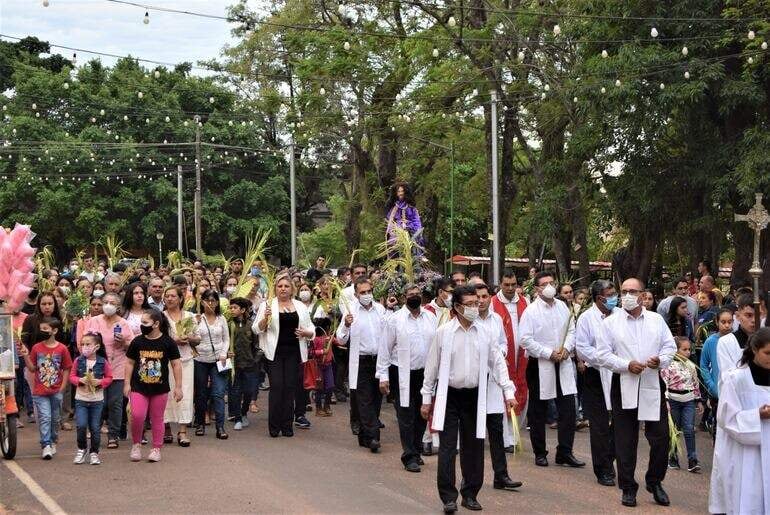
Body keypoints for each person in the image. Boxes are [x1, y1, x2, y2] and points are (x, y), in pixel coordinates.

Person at [420, 285, 517, 513]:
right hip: (450, 396)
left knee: (473, 447)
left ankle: (470, 493)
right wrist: (426, 398)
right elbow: (431, 368)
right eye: (470, 304)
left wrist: (508, 392)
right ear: (456, 307)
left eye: (477, 303)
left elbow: (498, 363)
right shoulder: (444, 333)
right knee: (447, 448)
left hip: (475, 395)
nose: (476, 307)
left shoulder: (485, 332)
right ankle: (448, 497)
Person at [596, 277, 677, 508]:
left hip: (651, 382)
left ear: (643, 295)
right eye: (624, 291)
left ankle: (655, 481)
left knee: (661, 437)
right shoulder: (610, 323)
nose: (628, 295)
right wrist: (626, 365)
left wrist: (659, 360)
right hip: (624, 383)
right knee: (625, 439)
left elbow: (670, 347)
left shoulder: (656, 320)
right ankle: (628, 487)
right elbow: (603, 354)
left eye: (633, 291)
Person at [519, 271, 584, 468]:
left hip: (563, 362)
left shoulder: (563, 307)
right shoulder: (531, 311)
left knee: (568, 409)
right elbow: (525, 339)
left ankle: (565, 451)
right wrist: (548, 353)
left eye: (551, 282)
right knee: (538, 411)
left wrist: (566, 348)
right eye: (544, 283)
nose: (549, 286)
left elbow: (572, 330)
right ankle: (540, 452)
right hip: (540, 364)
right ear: (537, 289)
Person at [708, 327, 770, 514]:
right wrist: (757, 415)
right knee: (747, 499)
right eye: (768, 353)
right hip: (744, 454)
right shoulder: (736, 378)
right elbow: (726, 418)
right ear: (754, 350)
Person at [376, 284, 437, 472]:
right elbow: (385, 349)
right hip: (401, 373)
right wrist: (383, 376)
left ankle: (416, 451)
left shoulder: (431, 318)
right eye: (411, 295)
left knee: (422, 414)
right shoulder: (395, 320)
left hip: (424, 374)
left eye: (417, 294)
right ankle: (408, 455)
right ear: (404, 298)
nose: (414, 297)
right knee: (405, 414)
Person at [474, 283, 523, 491]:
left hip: (494, 383)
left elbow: (503, 343)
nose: (481, 300)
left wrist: (501, 353)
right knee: (475, 436)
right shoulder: (467, 321)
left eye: (485, 296)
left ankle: (501, 476)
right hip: (474, 384)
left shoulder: (496, 319)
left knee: (496, 432)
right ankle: (473, 479)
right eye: (477, 297)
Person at [254, 275, 315, 437]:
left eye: (286, 286)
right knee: (277, 387)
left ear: (292, 289)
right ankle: (274, 427)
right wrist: (265, 319)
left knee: (290, 388)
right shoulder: (267, 305)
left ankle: (287, 425)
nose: (283, 289)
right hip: (274, 353)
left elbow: (311, 329)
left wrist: (306, 333)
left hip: (294, 352)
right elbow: (256, 329)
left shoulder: (300, 306)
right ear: (275, 288)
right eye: (280, 286)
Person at [336, 276, 389, 451]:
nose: (367, 295)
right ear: (356, 294)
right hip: (360, 361)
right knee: (364, 399)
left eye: (369, 291)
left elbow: (388, 335)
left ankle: (365, 437)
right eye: (363, 292)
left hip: (379, 361)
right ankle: (373, 436)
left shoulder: (381, 310)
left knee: (376, 399)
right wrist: (345, 325)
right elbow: (341, 340)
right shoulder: (351, 312)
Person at [575, 279, 619, 486]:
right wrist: (605, 358)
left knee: (620, 423)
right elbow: (582, 348)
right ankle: (603, 469)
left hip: (619, 374)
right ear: (599, 297)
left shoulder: (620, 315)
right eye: (610, 294)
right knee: (600, 424)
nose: (614, 298)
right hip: (595, 375)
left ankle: (609, 458)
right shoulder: (586, 318)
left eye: (614, 294)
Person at [124, 309, 183, 462]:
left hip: (160, 388)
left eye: (145, 322)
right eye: (141, 322)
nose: (142, 325)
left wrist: (178, 386)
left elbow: (176, 364)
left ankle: (156, 448)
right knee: (137, 415)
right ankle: (136, 444)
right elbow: (130, 363)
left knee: (157, 418)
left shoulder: (168, 342)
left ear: (156, 324)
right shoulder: (137, 341)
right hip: (139, 386)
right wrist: (126, 384)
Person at [83, 292, 134, 449]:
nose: (108, 305)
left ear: (118, 307)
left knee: (115, 403)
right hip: (97, 367)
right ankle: (95, 432)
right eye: (106, 302)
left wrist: (124, 342)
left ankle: (113, 435)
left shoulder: (123, 323)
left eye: (112, 303)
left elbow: (132, 346)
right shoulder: (94, 321)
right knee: (98, 402)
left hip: (118, 367)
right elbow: (84, 343)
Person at [19, 317, 73, 459]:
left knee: (55, 419)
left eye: (45, 329)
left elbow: (67, 368)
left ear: (54, 330)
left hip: (56, 390)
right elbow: (32, 368)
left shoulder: (62, 349)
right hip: (40, 391)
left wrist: (62, 386)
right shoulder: (37, 348)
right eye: (41, 329)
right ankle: (46, 444)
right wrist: (25, 356)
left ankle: (53, 440)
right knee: (45, 417)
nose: (42, 332)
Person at [490, 271, 529, 434]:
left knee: (522, 390)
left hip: (522, 356)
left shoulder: (525, 301)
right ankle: (505, 435)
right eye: (506, 285)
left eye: (513, 284)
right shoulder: (492, 303)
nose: (510, 288)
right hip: (503, 356)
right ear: (500, 284)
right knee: (503, 393)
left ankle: (515, 433)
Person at [162, 286, 198, 447]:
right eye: (167, 296)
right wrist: (173, 341)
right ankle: (166, 427)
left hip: (186, 359)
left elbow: (198, 339)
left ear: (180, 298)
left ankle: (182, 431)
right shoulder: (161, 317)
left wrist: (190, 338)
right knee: (166, 393)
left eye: (173, 296)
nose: (170, 299)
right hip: (166, 361)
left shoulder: (190, 316)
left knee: (185, 393)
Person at [69, 332, 113, 465]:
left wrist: (100, 382)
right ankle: (81, 449)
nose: (84, 347)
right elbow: (72, 376)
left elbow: (109, 377)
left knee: (95, 428)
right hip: (81, 399)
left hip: (96, 401)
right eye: (82, 344)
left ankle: (94, 452)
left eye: (88, 344)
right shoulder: (78, 360)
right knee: (81, 425)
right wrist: (79, 380)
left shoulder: (102, 361)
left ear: (97, 346)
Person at [192, 289, 230, 439]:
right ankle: (200, 423)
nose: (210, 303)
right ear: (202, 302)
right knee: (201, 393)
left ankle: (220, 426)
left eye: (213, 300)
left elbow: (226, 339)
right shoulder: (197, 319)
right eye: (207, 300)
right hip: (200, 359)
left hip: (218, 360)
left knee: (218, 394)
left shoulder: (222, 319)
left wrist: (223, 353)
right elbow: (192, 338)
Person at [661, 337, 702, 472]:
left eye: (689, 349)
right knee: (675, 430)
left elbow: (695, 383)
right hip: (673, 400)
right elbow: (664, 383)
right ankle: (672, 457)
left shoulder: (691, 365)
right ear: (676, 350)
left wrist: (698, 400)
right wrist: (666, 400)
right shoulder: (668, 365)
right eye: (684, 349)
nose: (688, 352)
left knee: (689, 429)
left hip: (688, 400)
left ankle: (692, 459)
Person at [699, 307, 735, 441]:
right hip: (717, 392)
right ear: (717, 322)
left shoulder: (736, 340)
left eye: (730, 322)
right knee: (718, 430)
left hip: (734, 391)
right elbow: (703, 365)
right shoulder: (710, 341)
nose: (727, 325)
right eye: (723, 322)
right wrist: (711, 385)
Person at [228, 297, 260, 431]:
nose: (232, 310)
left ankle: (243, 411)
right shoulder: (229, 324)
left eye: (235, 308)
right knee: (235, 391)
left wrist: (254, 359)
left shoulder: (251, 325)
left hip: (249, 364)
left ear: (242, 310)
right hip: (234, 364)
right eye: (231, 307)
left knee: (249, 391)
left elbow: (257, 345)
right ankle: (237, 418)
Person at [717, 294, 757, 381]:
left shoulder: (766, 341)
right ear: (738, 316)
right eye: (749, 315)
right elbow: (728, 378)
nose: (754, 320)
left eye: (758, 315)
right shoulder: (726, 342)